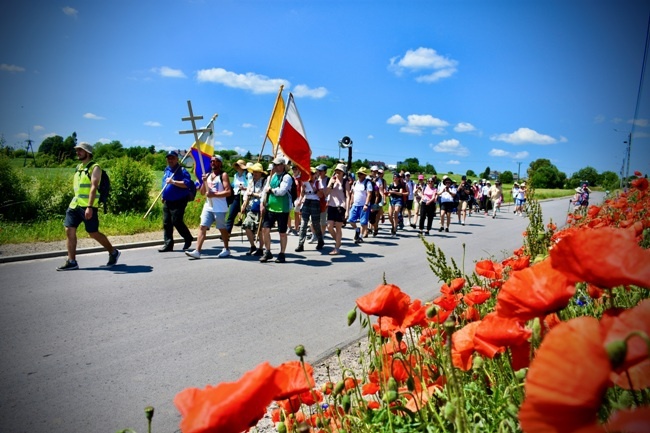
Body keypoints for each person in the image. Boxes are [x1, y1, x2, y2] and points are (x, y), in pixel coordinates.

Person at [57, 141, 121, 270]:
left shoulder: (95, 167)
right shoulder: (78, 167)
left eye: (80, 150)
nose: (78, 152)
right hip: (75, 205)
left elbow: (93, 187)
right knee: (69, 230)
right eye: (77, 150)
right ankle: (72, 261)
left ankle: (113, 252)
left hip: (88, 206)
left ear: (88, 153)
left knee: (93, 233)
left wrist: (90, 207)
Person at [185, 155, 232, 259]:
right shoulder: (208, 175)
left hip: (219, 207)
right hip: (208, 206)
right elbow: (202, 192)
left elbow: (228, 192)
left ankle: (226, 248)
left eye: (215, 161)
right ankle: (197, 251)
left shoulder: (223, 175)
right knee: (202, 227)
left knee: (221, 228)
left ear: (220, 163)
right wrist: (204, 182)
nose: (212, 163)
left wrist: (214, 194)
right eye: (211, 161)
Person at [159, 150, 194, 252]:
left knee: (176, 221)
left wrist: (173, 182)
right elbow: (164, 183)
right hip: (167, 200)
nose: (170, 160)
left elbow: (186, 184)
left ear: (177, 159)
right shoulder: (167, 170)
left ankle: (188, 238)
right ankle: (168, 244)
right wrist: (163, 195)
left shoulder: (182, 170)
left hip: (179, 200)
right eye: (169, 158)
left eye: (172, 158)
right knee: (166, 223)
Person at [260, 156, 293, 263]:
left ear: (283, 165)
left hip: (282, 209)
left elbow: (282, 191)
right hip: (270, 207)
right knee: (265, 230)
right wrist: (262, 203)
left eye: (278, 164)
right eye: (275, 164)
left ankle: (282, 253)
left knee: (282, 232)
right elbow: (264, 191)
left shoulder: (287, 177)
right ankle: (267, 251)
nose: (276, 167)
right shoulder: (271, 176)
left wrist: (271, 190)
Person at [295, 167, 325, 252]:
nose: (310, 176)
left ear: (315, 174)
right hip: (307, 201)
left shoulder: (318, 183)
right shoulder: (304, 182)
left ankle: (320, 240)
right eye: (308, 174)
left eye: (311, 174)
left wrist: (314, 189)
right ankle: (300, 244)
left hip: (315, 202)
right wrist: (300, 200)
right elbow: (302, 193)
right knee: (303, 223)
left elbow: (321, 195)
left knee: (316, 224)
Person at [240, 162, 266, 256]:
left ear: (261, 173)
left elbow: (264, 195)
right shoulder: (251, 182)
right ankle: (252, 246)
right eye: (253, 172)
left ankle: (261, 248)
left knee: (259, 229)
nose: (254, 174)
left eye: (257, 172)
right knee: (246, 225)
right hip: (251, 207)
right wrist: (243, 205)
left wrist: (253, 194)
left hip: (260, 207)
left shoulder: (264, 181)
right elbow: (247, 194)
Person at [324, 163, 349, 255]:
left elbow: (348, 196)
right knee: (329, 226)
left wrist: (347, 210)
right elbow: (326, 193)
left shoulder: (345, 182)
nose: (337, 172)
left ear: (343, 172)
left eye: (340, 171)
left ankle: (337, 248)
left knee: (338, 227)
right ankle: (338, 241)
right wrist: (331, 184)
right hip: (331, 205)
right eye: (336, 171)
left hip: (340, 206)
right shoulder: (332, 180)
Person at [347, 167, 373, 243]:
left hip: (363, 205)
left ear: (364, 175)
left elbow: (369, 194)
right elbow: (353, 194)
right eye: (358, 173)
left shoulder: (367, 183)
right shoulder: (355, 183)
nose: (359, 175)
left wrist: (366, 204)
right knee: (351, 220)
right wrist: (351, 203)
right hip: (355, 205)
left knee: (363, 222)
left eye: (361, 174)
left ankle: (360, 236)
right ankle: (357, 230)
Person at [226, 158, 248, 234]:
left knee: (247, 216)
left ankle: (252, 233)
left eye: (239, 166)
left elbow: (251, 186)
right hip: (236, 197)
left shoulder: (248, 175)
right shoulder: (235, 175)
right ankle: (227, 234)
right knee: (231, 215)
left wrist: (245, 188)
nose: (238, 167)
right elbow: (233, 185)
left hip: (245, 197)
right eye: (237, 166)